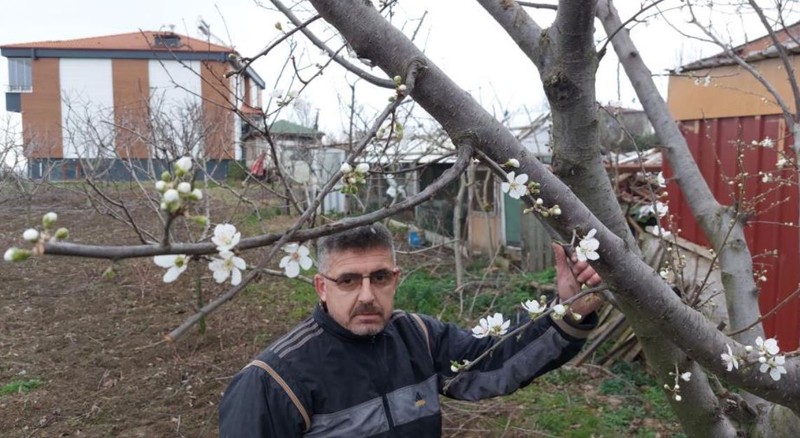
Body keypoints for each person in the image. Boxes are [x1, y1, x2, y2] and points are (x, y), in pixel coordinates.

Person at [219, 223, 602, 437]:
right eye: (349, 280)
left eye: (380, 277)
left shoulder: (417, 337)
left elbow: (494, 364)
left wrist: (568, 311)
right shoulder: (274, 380)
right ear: (322, 287)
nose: (367, 295)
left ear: (396, 279)